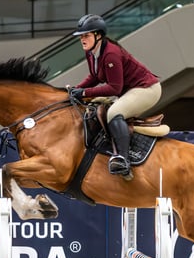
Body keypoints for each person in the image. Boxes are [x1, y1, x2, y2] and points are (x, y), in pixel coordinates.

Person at [69, 14, 161, 180]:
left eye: (86, 35)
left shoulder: (111, 53)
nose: (82, 39)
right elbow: (95, 77)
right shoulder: (91, 52)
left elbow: (114, 87)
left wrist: (84, 93)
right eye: (81, 36)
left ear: (98, 35)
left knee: (114, 113)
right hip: (129, 90)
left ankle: (124, 160)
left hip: (147, 89)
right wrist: (77, 88)